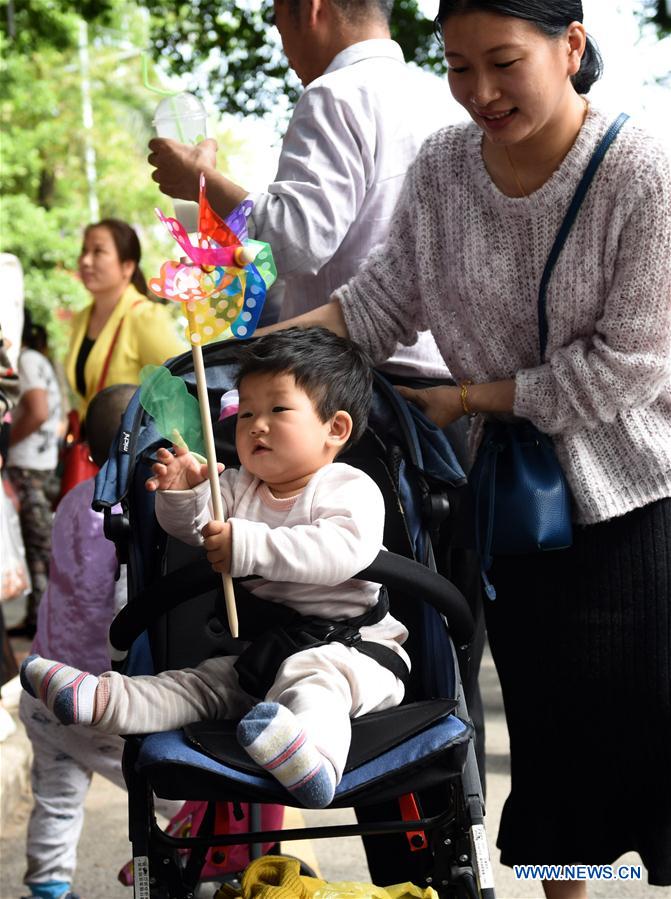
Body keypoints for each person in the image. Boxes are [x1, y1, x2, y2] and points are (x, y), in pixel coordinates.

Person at [253, 0, 671, 893]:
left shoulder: (641, 171)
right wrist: (262, 360)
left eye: (502, 62)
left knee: (648, 736)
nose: (478, 91)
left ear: (570, 46)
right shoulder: (444, 163)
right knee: (552, 746)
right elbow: (376, 303)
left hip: (638, 504)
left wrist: (472, 397)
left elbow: (632, 365)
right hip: (513, 511)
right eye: (456, 66)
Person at [20, 328, 410, 812]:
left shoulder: (348, 487)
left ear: (335, 428)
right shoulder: (241, 488)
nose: (256, 425)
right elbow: (196, 529)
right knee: (200, 684)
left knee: (314, 679)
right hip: (262, 655)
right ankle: (102, 700)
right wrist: (183, 496)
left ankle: (316, 761)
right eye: (246, 412)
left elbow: (342, 551)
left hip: (354, 653)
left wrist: (248, 546)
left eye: (277, 410)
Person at [147, 0, 465, 380]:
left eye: (281, 30)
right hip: (447, 381)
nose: (285, 53)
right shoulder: (443, 96)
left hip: (358, 383)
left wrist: (200, 182)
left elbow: (296, 241)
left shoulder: (334, 94)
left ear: (312, 9)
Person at [17, 384, 179, 899]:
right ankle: (185, 861)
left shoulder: (69, 504)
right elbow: (130, 608)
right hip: (100, 699)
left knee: (57, 801)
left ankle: (48, 887)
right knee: (185, 795)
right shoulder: (140, 522)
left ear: (86, 453)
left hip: (43, 688)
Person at [66, 218, 185, 420]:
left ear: (127, 266)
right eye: (84, 251)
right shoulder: (81, 319)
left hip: (135, 448)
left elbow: (179, 385)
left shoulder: (146, 317)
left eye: (98, 252)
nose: (85, 261)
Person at [6, 313, 63, 637]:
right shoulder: (38, 359)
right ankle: (36, 619)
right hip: (39, 463)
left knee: (39, 546)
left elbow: (38, 411)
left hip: (27, 465)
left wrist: (6, 442)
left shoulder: (25, 360)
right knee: (37, 545)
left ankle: (43, 622)